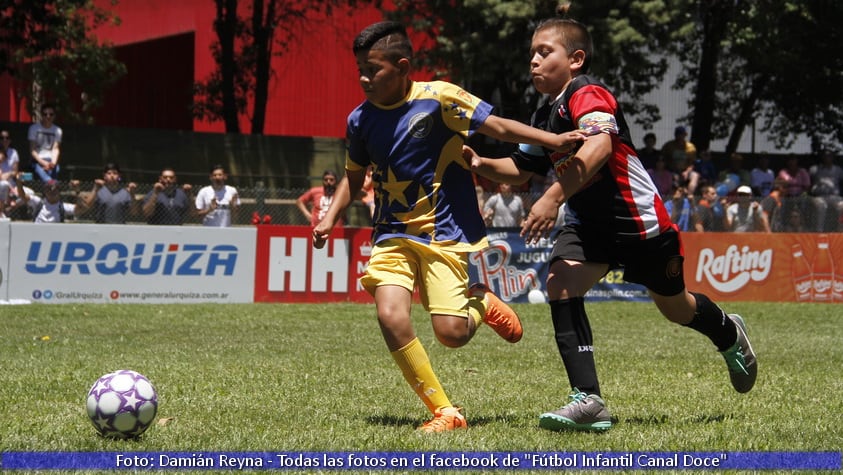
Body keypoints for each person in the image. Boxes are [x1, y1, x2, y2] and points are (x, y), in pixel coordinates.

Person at [463, 9, 757, 432]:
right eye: (531, 53)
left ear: (576, 60)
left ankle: (728, 333)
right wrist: (478, 162)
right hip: (589, 226)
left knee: (675, 308)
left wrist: (551, 197)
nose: (533, 61)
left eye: (544, 52)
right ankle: (589, 400)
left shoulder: (588, 92)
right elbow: (519, 168)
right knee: (560, 282)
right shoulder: (544, 117)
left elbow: (598, 147)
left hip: (639, 224)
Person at [311, 21, 587, 433]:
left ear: (403, 66)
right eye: (360, 71)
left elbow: (498, 126)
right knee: (390, 315)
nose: (365, 79)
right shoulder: (359, 120)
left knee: (452, 335)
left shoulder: (440, 98)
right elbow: (354, 178)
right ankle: (446, 411)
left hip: (443, 236)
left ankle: (482, 305)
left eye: (373, 69)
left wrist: (553, 140)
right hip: (391, 235)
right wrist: (329, 218)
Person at [808, 150, 843, 232]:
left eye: (829, 156)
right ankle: (819, 231)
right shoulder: (814, 169)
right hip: (819, 197)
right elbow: (808, 183)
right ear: (822, 157)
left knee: (842, 206)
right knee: (821, 206)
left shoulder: (838, 170)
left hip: (835, 197)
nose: (827, 158)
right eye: (825, 156)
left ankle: (840, 230)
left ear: (832, 157)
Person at [28, 103, 63, 182]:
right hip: (37, 160)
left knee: (56, 169)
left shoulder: (58, 130)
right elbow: (32, 150)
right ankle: (52, 184)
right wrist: (43, 163)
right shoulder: (34, 128)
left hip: (50, 159)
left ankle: (50, 187)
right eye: (45, 114)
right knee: (40, 170)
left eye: (51, 114)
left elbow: (55, 148)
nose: (48, 116)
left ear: (54, 116)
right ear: (41, 115)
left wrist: (52, 163)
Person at [0, 130, 21, 203]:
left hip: (11, 183)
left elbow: (15, 172)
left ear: (10, 140)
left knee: (27, 195)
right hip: (2, 182)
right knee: (4, 184)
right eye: (2, 138)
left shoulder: (14, 152)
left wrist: (9, 174)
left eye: (7, 138)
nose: (4, 140)